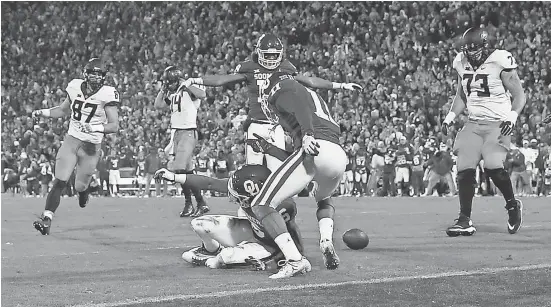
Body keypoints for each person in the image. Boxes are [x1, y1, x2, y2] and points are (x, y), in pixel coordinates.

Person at [182, 33, 361, 172]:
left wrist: (341, 85)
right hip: (256, 124)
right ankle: (251, 210)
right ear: (259, 53)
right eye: (267, 55)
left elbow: (310, 81)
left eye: (274, 55)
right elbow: (223, 79)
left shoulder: (286, 67)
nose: (270, 59)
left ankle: (276, 211)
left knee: (277, 171)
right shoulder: (249, 67)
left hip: (276, 127)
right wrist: (196, 80)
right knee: (253, 169)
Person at [244, 72, 347, 279]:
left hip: (314, 147)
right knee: (323, 199)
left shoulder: (283, 87)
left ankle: (294, 259)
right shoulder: (314, 96)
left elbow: (300, 106)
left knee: (261, 204)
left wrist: (308, 134)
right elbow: (295, 157)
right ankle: (326, 239)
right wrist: (268, 148)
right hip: (337, 155)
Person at [442, 27, 526, 236]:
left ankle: (512, 205)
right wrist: (451, 116)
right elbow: (462, 94)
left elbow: (519, 95)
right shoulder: (460, 61)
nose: (471, 53)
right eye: (468, 49)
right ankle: (464, 219)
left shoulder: (500, 60)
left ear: (485, 45)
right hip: (473, 123)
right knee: (464, 167)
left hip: (499, 123)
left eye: (475, 49)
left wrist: (512, 117)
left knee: (492, 165)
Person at [154, 162, 306, 272]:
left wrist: (275, 261)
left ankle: (220, 257)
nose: (232, 198)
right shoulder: (250, 194)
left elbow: (293, 239)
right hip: (251, 232)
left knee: (224, 258)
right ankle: (211, 250)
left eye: (237, 195)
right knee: (199, 224)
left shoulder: (283, 205)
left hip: (268, 247)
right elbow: (209, 183)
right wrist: (174, 177)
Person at [32, 58, 120, 235]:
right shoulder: (74, 87)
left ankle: (84, 192)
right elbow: (63, 110)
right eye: (93, 73)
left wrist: (94, 127)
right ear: (85, 73)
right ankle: (47, 219)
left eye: (99, 74)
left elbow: (114, 125)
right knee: (60, 180)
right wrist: (43, 113)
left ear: (104, 76)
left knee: (80, 186)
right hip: (72, 140)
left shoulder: (108, 94)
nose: (95, 77)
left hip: (91, 147)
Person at [155, 66, 209, 217]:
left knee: (179, 169)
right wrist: (162, 90)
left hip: (188, 132)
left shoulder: (187, 89)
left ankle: (189, 204)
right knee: (188, 171)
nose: (168, 85)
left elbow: (202, 94)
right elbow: (158, 105)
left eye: (169, 82)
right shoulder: (174, 94)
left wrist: (186, 83)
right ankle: (200, 203)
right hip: (177, 133)